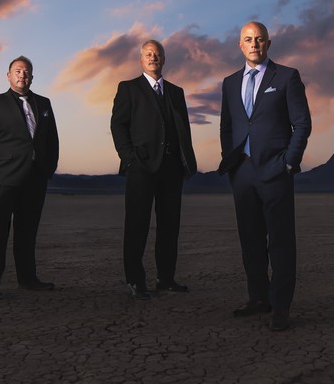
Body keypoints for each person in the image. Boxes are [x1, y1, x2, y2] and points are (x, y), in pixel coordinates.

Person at [218, 21, 311, 331]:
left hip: (274, 171)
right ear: (240, 45)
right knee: (251, 240)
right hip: (242, 172)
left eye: (259, 39)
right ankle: (258, 298)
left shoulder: (286, 76)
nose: (254, 43)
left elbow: (302, 124)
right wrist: (230, 161)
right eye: (248, 39)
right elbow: (227, 127)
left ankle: (280, 307)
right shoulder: (230, 83)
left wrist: (288, 162)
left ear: (268, 43)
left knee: (281, 242)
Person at [110, 40, 197, 300]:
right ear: (141, 59)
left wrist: (185, 162)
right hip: (142, 168)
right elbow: (118, 126)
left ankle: (166, 278)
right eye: (148, 54)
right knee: (137, 224)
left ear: (164, 59)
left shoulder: (175, 92)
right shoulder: (128, 89)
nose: (153, 57)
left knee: (170, 226)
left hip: (171, 169)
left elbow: (184, 130)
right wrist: (129, 159)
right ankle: (135, 281)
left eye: (157, 54)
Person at [0, 56, 59, 299]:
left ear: (32, 77)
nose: (22, 75)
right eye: (18, 71)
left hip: (35, 178)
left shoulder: (44, 103)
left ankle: (28, 279)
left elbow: (51, 139)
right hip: (4, 178)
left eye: (27, 72)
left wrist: (48, 169)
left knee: (27, 231)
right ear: (9, 75)